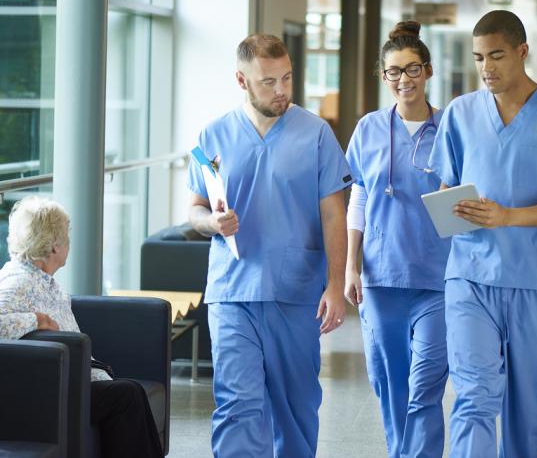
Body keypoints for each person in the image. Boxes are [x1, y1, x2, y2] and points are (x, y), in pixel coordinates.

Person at [187, 33, 353, 458]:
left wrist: (336, 286)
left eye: (288, 79)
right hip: (232, 290)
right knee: (238, 404)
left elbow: (335, 214)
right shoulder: (214, 133)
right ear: (242, 81)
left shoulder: (315, 133)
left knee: (295, 408)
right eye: (269, 82)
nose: (281, 91)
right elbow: (195, 209)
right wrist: (213, 222)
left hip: (295, 291)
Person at [429, 10, 537, 457]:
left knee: (529, 412)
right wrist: (452, 204)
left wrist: (507, 217)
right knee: (474, 395)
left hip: (536, 282)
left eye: (496, 56)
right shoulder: (460, 114)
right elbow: (446, 183)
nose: (486, 68)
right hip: (470, 277)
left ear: (522, 52)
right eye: (478, 58)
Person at [344, 21, 451, 458]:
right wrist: (351, 265)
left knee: (426, 380)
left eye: (412, 69)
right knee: (389, 380)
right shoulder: (368, 128)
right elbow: (359, 196)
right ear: (383, 75)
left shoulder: (450, 127)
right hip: (382, 275)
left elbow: (465, 192)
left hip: (438, 276)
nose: (403, 80)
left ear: (427, 71)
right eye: (393, 71)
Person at [0, 196, 163, 458]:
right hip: (53, 388)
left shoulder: (46, 281)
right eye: (66, 235)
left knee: (130, 393)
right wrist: (36, 320)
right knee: (128, 394)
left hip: (76, 379)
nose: (69, 242)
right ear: (54, 246)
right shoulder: (18, 281)